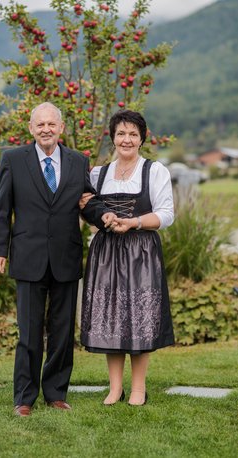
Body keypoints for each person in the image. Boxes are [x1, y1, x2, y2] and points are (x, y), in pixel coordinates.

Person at [0, 102, 115, 416]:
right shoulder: (13, 160)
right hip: (28, 258)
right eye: (40, 124)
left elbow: (87, 202)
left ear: (60, 128)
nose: (46, 129)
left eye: (51, 124)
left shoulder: (77, 161)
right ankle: (24, 398)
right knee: (29, 334)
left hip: (65, 257)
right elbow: (2, 210)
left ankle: (56, 394)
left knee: (61, 334)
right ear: (31, 129)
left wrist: (104, 216)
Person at [80, 110, 175, 406]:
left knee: (140, 318)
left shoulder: (154, 171)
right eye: (121, 133)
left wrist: (134, 222)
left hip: (141, 251)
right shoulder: (99, 174)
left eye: (133, 134)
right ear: (113, 137)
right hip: (107, 252)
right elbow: (87, 208)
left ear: (142, 138)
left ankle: (138, 388)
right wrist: (95, 211)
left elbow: (167, 214)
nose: (127, 139)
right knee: (111, 318)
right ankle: (114, 387)